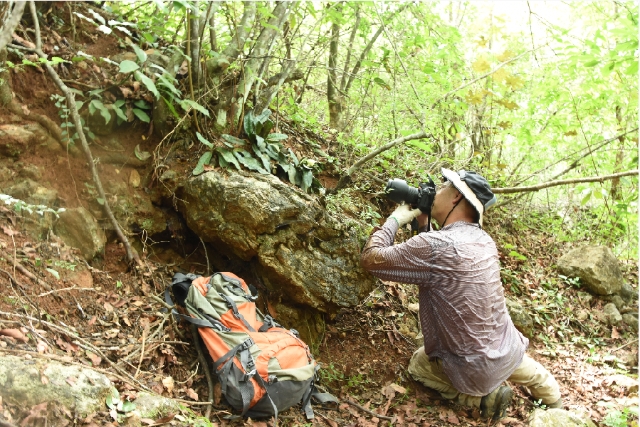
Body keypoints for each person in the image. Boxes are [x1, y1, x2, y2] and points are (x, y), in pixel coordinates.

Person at [361, 168, 561, 420]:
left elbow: (371, 260)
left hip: (472, 367)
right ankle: (555, 403)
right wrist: (424, 225)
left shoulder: (434, 246)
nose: (437, 192)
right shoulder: (484, 240)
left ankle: (479, 398)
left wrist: (395, 218)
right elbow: (435, 261)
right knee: (532, 374)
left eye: (443, 187)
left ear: (456, 197)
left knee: (418, 365)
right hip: (508, 349)